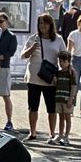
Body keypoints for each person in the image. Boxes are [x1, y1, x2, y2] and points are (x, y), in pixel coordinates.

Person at [21, 13, 66, 143]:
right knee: (33, 107)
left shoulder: (58, 39)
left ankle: (52, 134)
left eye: (45, 23)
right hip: (34, 77)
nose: (42, 26)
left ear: (50, 25)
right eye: (40, 23)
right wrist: (32, 48)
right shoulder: (33, 39)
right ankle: (32, 132)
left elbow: (64, 56)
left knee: (51, 108)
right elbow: (23, 56)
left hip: (50, 79)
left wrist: (64, 73)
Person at [0, 12, 18, 131]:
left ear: (6, 21)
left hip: (3, 67)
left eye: (1, 21)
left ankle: (9, 121)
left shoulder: (11, 36)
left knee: (5, 95)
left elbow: (11, 52)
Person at [52, 51, 77, 146]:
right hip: (59, 98)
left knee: (67, 117)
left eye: (64, 61)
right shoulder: (58, 73)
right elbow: (55, 85)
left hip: (67, 99)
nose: (61, 63)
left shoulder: (71, 73)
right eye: (60, 61)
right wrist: (54, 80)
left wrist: (71, 98)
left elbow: (74, 86)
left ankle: (66, 136)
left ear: (69, 61)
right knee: (60, 117)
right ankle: (60, 134)